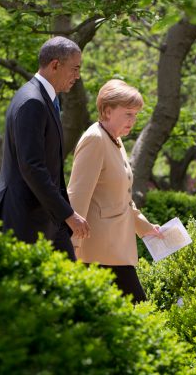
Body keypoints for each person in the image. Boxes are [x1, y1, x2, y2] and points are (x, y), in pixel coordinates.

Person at [0, 36, 90, 260]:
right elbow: (32, 166)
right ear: (55, 64)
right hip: (25, 220)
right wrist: (69, 214)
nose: (78, 76)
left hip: (47, 218)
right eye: (75, 69)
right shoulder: (32, 102)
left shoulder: (43, 98)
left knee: (68, 286)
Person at [67, 79, 161, 302]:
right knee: (140, 311)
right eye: (128, 113)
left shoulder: (115, 140)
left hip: (115, 249)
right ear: (107, 111)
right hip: (98, 251)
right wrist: (71, 246)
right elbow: (78, 195)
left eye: (136, 114)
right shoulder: (95, 139)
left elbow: (123, 198)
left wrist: (145, 227)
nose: (133, 120)